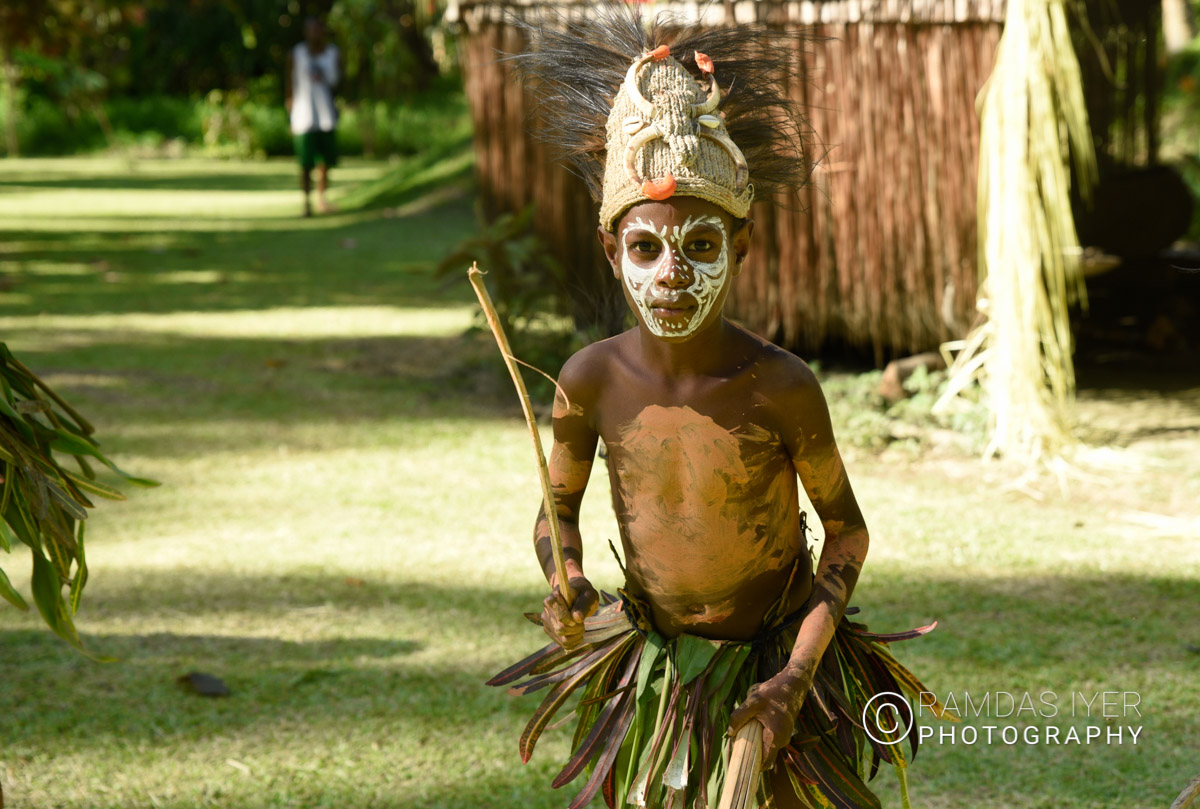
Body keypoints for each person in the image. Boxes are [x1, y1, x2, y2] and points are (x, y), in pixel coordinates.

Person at [488, 6, 948, 809]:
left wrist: (795, 678)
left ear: (741, 246)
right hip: (658, 665)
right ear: (611, 249)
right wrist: (567, 579)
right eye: (646, 249)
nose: (670, 274)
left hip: (774, 662)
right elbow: (555, 508)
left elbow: (846, 531)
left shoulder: (779, 384)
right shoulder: (589, 380)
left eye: (700, 246)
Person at [286, 16, 340, 217]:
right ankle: (306, 203)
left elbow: (338, 83)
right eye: (311, 30)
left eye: (318, 30)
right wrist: (290, 115)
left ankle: (321, 199)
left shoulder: (332, 53)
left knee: (325, 161)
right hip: (303, 117)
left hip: (326, 115)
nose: (315, 34)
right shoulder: (296, 54)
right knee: (305, 164)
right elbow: (289, 87)